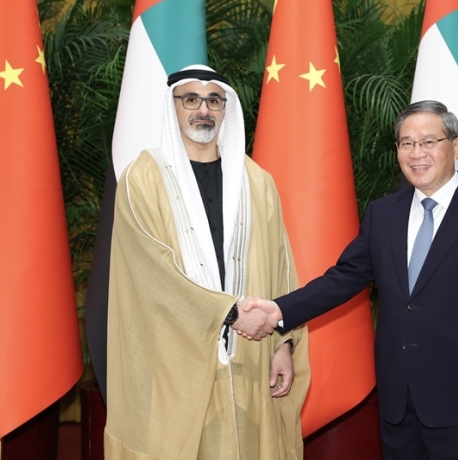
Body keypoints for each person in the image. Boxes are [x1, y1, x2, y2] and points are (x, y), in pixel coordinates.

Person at [237, 100, 458, 460]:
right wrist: (279, 310)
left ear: (455, 146)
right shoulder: (383, 212)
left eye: (429, 142)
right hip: (398, 399)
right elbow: (345, 277)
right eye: (406, 143)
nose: (416, 153)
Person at [104, 64, 310, 460]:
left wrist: (283, 343)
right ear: (172, 107)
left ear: (226, 109)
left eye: (214, 100)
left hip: (253, 355)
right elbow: (151, 273)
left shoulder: (257, 181)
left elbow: (282, 268)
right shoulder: (142, 179)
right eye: (191, 99)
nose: (203, 110)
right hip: (174, 362)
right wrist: (228, 313)